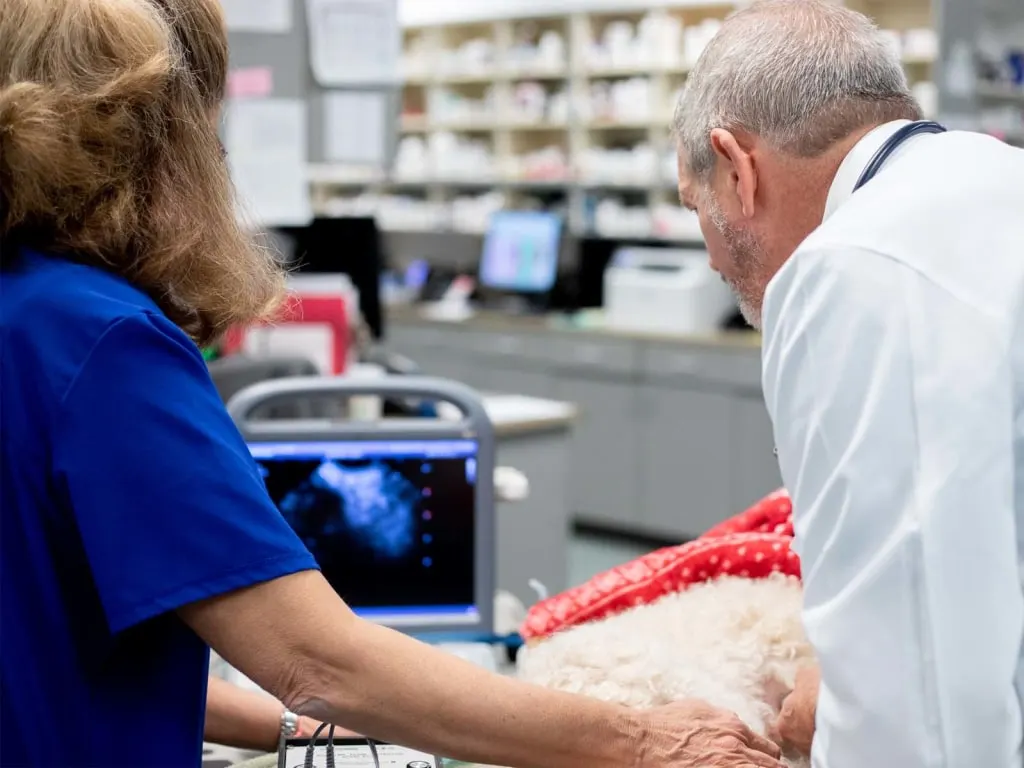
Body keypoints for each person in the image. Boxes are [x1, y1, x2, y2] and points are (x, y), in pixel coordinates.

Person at [0, 2, 784, 767]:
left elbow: (63, 634)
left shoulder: (24, 308)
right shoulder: (103, 343)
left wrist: (292, 731)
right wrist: (644, 741)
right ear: (156, 137)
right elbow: (318, 661)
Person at [672, 0, 1024, 765]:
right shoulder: (998, 179)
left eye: (694, 207)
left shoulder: (854, 268)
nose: (710, 258)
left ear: (735, 166)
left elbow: (921, 706)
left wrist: (839, 709)